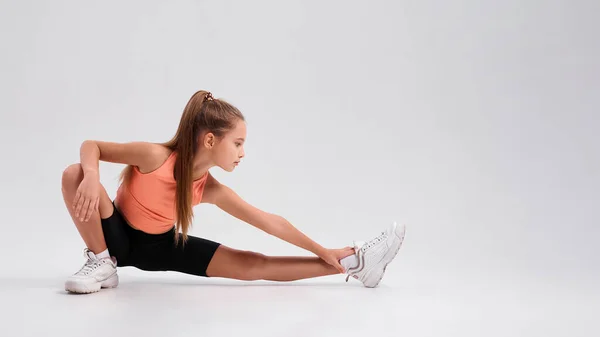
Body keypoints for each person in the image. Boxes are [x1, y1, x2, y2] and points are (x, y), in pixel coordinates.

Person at [61, 90, 406, 294]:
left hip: (161, 249)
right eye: (238, 143)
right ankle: (102, 261)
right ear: (210, 140)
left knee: (254, 265)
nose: (242, 152)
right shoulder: (155, 157)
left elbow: (269, 222)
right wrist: (92, 174)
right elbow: (91, 145)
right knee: (73, 173)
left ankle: (355, 263)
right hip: (116, 235)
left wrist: (323, 250)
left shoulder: (209, 188)